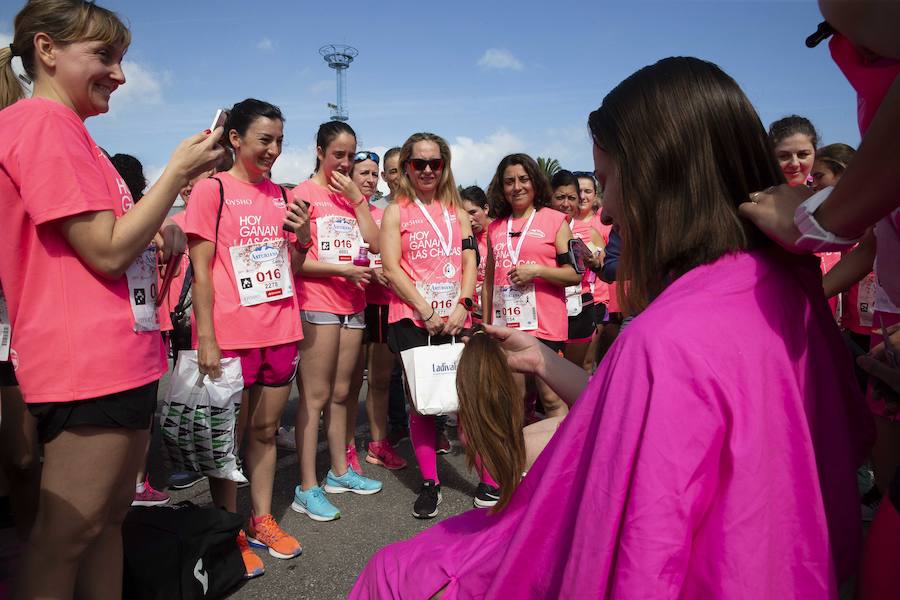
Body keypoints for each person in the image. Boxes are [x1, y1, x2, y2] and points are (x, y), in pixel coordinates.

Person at [351, 56, 867, 599]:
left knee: (394, 572)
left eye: (607, 180)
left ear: (661, 177)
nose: (610, 210)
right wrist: (541, 361)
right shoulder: (784, 284)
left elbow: (637, 560)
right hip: (791, 571)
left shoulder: (663, 338)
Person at [0, 1, 224, 597]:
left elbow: (106, 244)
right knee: (65, 537)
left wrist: (157, 235)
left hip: (116, 359)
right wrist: (176, 175)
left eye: (121, 59)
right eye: (104, 56)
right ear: (46, 49)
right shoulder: (41, 124)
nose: (120, 75)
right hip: (86, 365)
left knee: (107, 524)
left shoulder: (72, 131)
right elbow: (103, 250)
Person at [186, 98, 308, 576]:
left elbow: (291, 269)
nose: (273, 150)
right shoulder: (211, 191)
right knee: (225, 440)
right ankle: (228, 527)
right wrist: (208, 337)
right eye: (264, 140)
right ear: (235, 139)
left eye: (279, 141)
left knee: (262, 431)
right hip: (231, 336)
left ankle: (261, 519)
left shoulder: (283, 195)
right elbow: (199, 272)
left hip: (279, 330)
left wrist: (299, 239)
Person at [379, 132, 482, 517]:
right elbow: (391, 268)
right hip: (412, 317)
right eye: (418, 163)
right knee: (422, 405)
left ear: (444, 167)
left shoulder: (457, 212)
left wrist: (464, 303)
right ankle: (430, 483)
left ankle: (486, 476)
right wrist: (426, 311)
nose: (426, 170)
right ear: (406, 166)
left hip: (456, 317)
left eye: (433, 163)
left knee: (467, 400)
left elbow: (470, 260)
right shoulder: (396, 211)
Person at [290, 122, 383, 523]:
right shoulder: (301, 195)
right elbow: (297, 262)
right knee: (315, 396)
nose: (345, 163)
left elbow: (377, 245)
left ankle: (339, 472)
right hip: (318, 304)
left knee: (344, 393)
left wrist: (358, 202)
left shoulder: (352, 197)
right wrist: (341, 272)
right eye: (338, 155)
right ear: (319, 151)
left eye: (351, 155)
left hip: (354, 306)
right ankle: (306, 486)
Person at [483, 154, 581, 420]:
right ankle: (519, 459)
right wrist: (484, 326)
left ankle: (559, 458)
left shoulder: (554, 221)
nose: (517, 187)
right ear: (501, 188)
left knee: (551, 399)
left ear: (535, 182)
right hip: (507, 325)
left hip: (546, 325)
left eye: (524, 179)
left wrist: (537, 271)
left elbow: (575, 274)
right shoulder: (495, 228)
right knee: (514, 400)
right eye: (509, 181)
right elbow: (489, 281)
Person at [345, 150, 407, 471]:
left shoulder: (385, 213)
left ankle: (378, 445)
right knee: (350, 383)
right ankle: (345, 450)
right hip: (349, 303)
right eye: (363, 174)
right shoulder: (338, 211)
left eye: (373, 174)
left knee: (380, 380)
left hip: (381, 303)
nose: (369, 180)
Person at [549, 169, 604, 370]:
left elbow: (604, 268)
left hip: (581, 307)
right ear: (549, 197)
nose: (566, 204)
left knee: (576, 370)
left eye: (571, 198)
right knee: (547, 373)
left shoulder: (589, 232)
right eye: (560, 197)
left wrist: (595, 263)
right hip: (548, 307)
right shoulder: (539, 228)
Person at [459, 185, 491, 322]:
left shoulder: (502, 233)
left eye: (473, 212)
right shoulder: (461, 238)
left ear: (486, 208)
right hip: (469, 315)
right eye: (464, 214)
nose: (469, 219)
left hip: (496, 314)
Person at [768, 115, 818, 187]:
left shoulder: (830, 192)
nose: (795, 164)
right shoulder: (755, 194)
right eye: (784, 156)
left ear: (815, 153)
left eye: (802, 154)